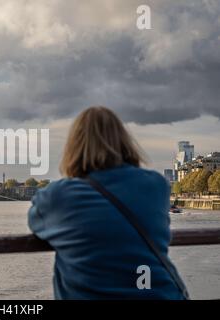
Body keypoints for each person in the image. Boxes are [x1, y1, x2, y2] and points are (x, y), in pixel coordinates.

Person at [28, 106, 187, 299]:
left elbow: (36, 222)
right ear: (125, 142)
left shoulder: (57, 196)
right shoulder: (157, 185)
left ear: (73, 147)